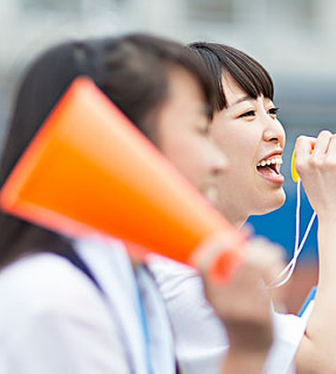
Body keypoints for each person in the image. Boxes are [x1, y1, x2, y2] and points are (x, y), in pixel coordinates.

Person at [0, 34, 284, 374]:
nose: (218, 161)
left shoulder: (134, 279)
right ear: (123, 141)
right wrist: (247, 352)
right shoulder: (56, 301)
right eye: (198, 129)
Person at [150, 42, 336, 374]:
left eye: (272, 112)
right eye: (248, 114)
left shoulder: (199, 259)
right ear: (190, 139)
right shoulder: (183, 274)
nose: (276, 132)